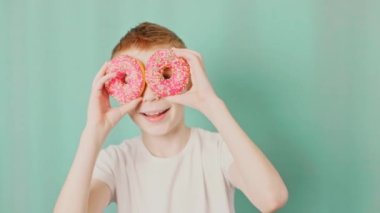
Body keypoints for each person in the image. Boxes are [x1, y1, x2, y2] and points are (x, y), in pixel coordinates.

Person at [54, 22, 288, 213]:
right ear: (116, 91)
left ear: (188, 78)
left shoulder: (218, 150)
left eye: (164, 76)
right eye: (138, 84)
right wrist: (92, 133)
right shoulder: (116, 162)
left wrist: (212, 105)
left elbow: (272, 199)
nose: (152, 95)